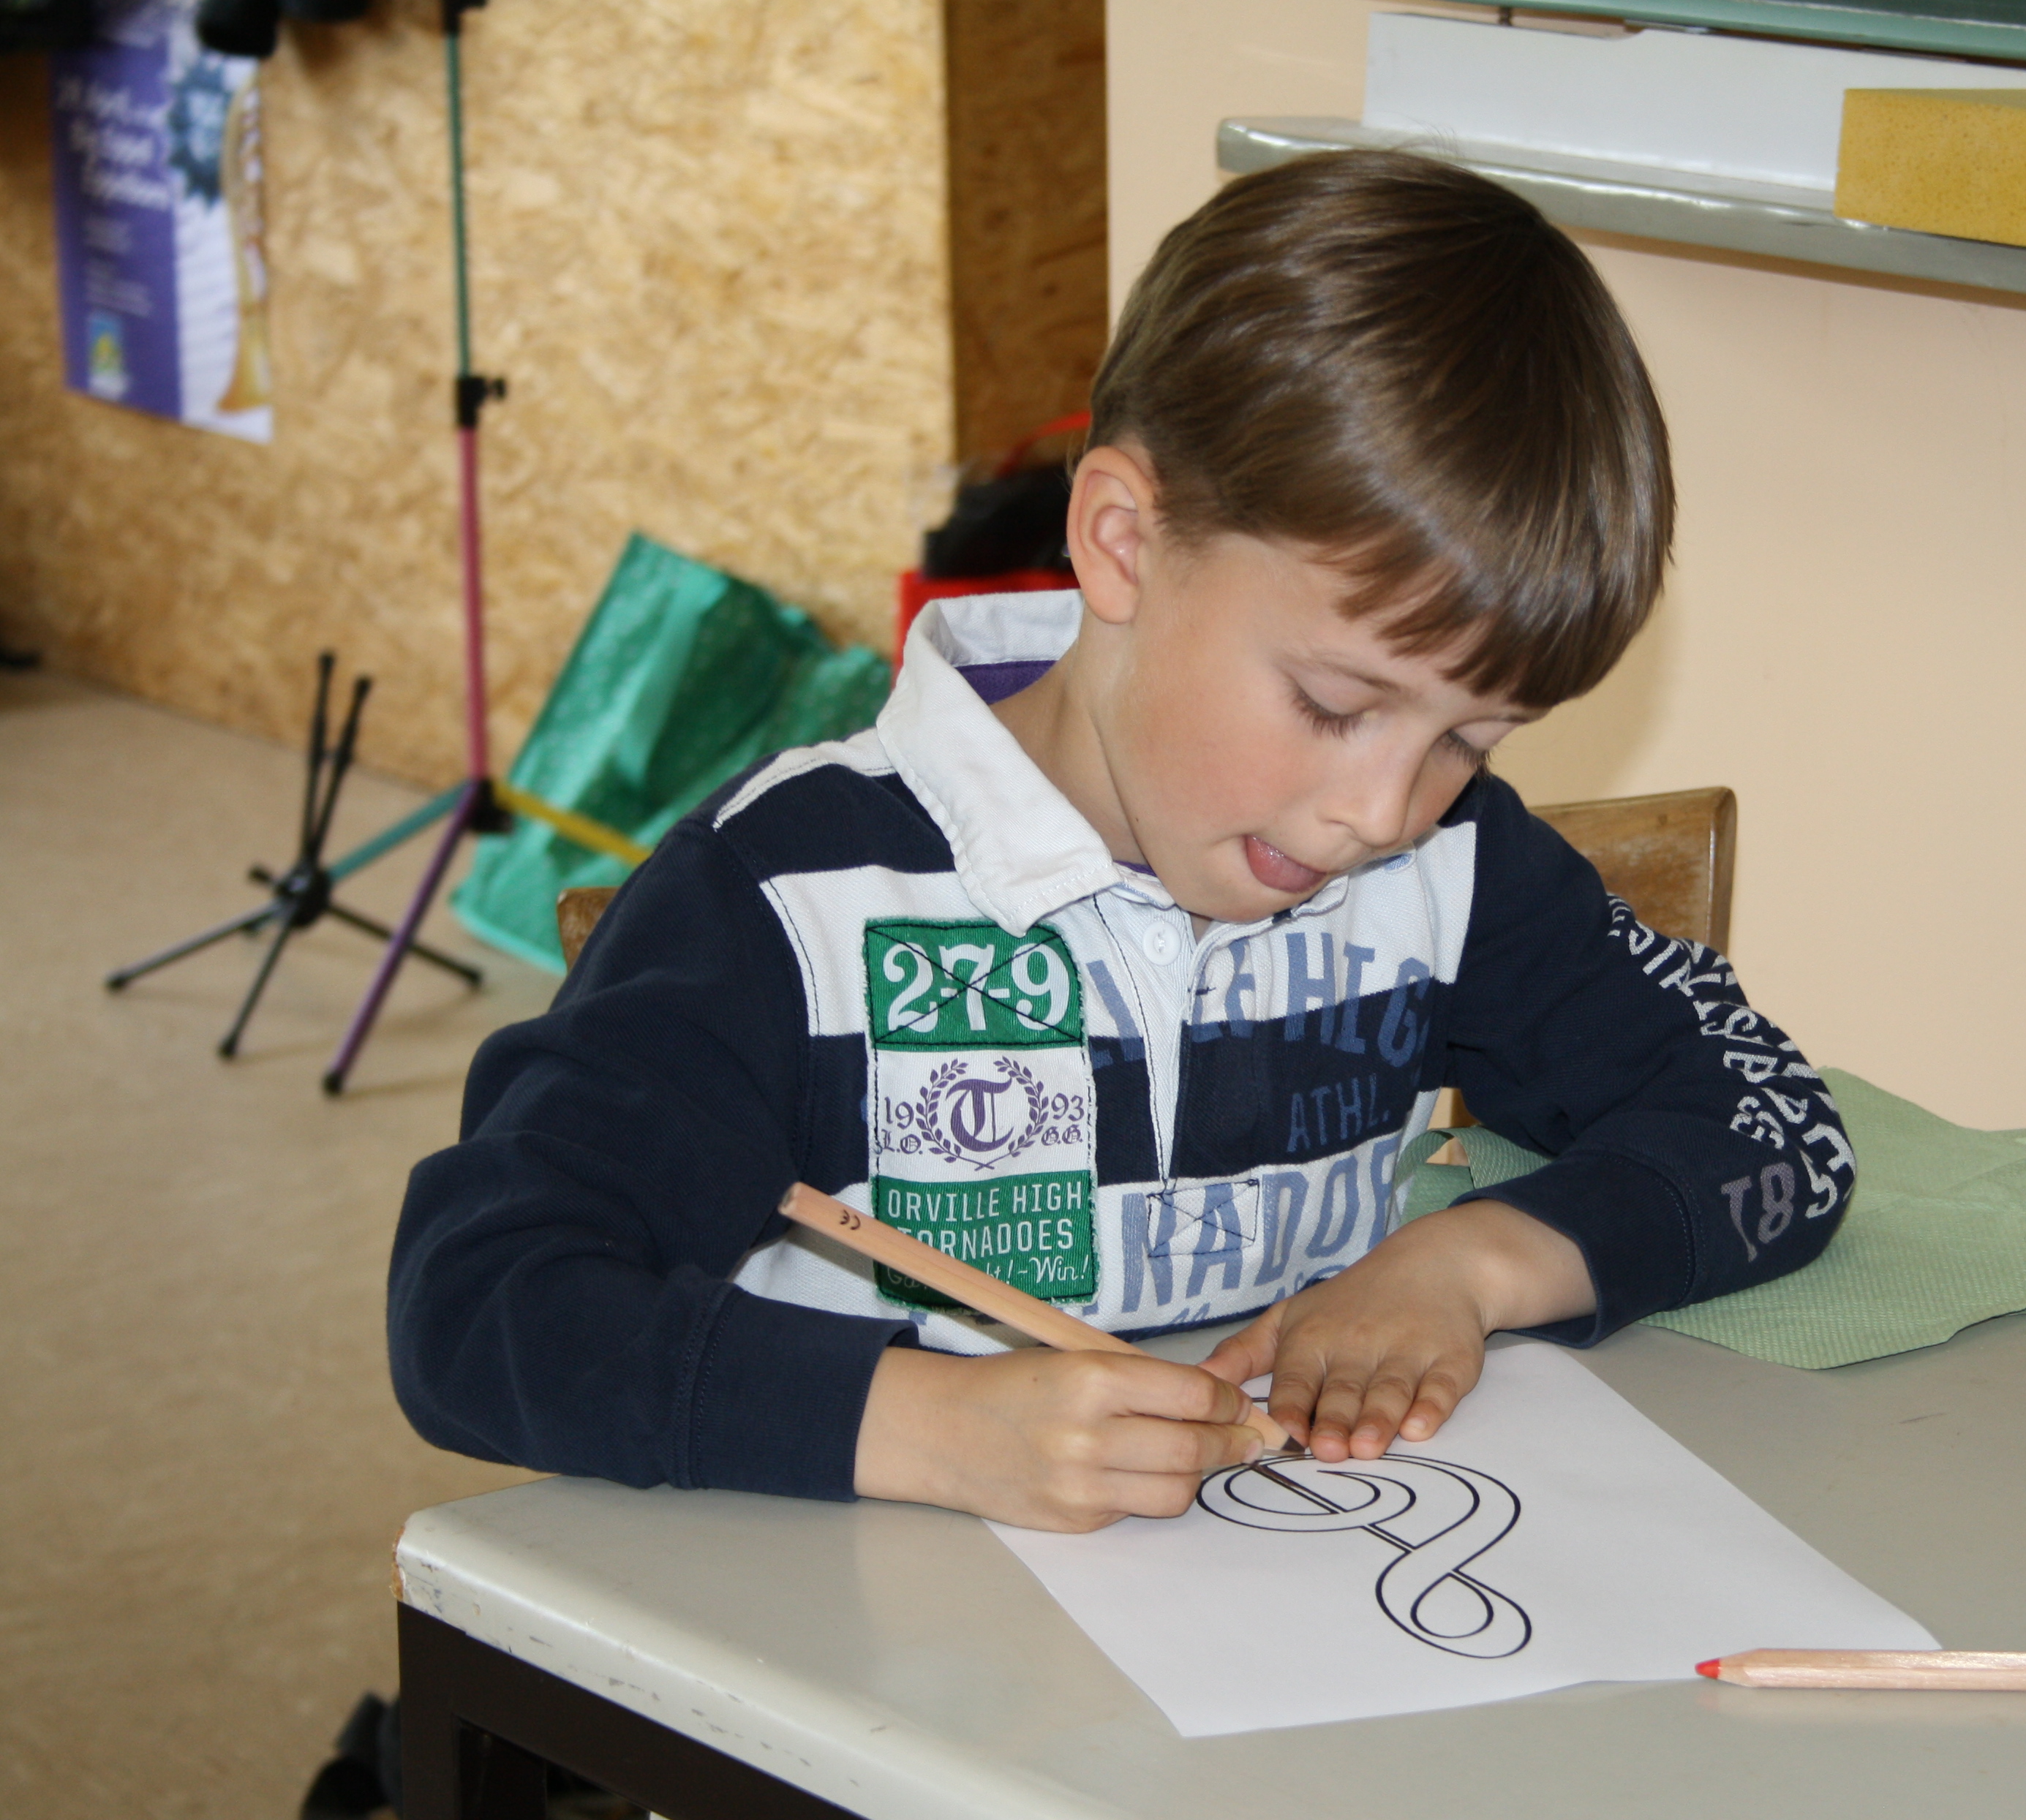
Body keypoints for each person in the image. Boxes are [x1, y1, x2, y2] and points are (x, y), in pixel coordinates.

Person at [388, 148, 1854, 1540]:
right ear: (1123, 543)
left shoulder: (1449, 867)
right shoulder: (786, 898)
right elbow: (476, 1305)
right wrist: (928, 1428)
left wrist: (1464, 1265)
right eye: (1335, 705)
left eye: (1470, 739)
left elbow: (1774, 1125)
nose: (1386, 811)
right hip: (876, 1659)